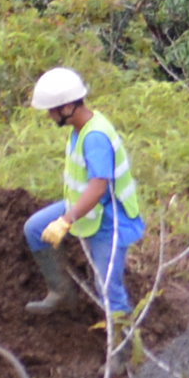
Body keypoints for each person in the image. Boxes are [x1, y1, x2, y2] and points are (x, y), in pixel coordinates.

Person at [22, 65, 146, 318]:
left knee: (108, 288)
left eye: (51, 111)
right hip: (86, 209)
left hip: (109, 219)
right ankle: (62, 293)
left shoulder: (95, 137)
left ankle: (123, 347)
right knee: (35, 229)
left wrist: (66, 220)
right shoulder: (79, 130)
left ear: (67, 108)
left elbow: (99, 187)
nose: (49, 116)